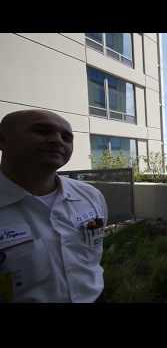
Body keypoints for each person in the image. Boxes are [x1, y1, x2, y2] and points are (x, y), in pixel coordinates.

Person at [0, 109, 108, 303]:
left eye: (66, 137)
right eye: (42, 131)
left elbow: (92, 259)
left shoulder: (91, 195)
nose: (58, 140)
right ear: (2, 140)